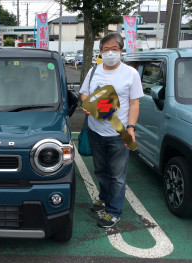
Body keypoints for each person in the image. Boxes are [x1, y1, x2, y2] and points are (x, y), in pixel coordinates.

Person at [79, 33, 143, 228]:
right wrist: (87, 104)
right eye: (105, 49)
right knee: (100, 170)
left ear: (121, 51)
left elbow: (134, 103)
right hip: (95, 131)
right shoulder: (94, 71)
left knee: (116, 175)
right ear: (100, 52)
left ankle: (114, 211)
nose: (110, 53)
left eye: (114, 49)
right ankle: (104, 199)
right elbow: (84, 93)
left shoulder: (130, 73)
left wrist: (131, 128)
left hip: (118, 133)